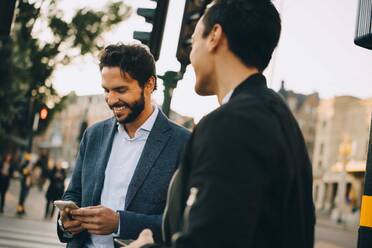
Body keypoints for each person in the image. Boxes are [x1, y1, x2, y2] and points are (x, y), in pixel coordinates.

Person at [126, 1, 315, 248]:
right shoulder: (280, 118)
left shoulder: (232, 123)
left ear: (215, 35)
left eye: (193, 42)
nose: (191, 56)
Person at [57, 44, 190, 247]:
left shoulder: (183, 143)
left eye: (120, 90)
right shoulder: (94, 135)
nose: (111, 100)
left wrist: (120, 223)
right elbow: (74, 193)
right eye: (106, 90)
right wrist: (65, 221)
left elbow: (179, 222)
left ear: (148, 84)